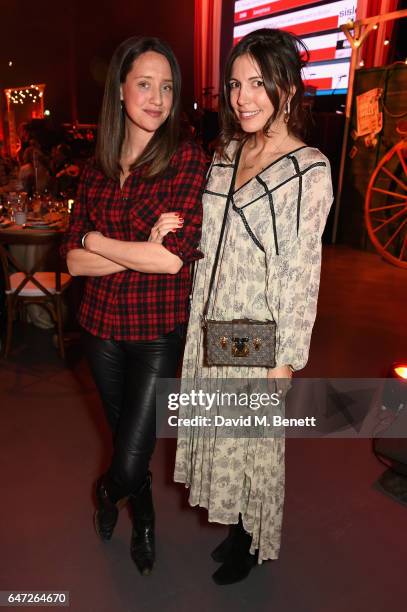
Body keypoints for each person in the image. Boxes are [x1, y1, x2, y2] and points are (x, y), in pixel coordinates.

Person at [155, 28, 333, 584]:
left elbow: (303, 273)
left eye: (259, 83)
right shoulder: (228, 150)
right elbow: (215, 227)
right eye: (235, 84)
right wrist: (171, 225)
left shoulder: (310, 169)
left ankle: (251, 540)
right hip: (209, 320)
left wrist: (286, 359)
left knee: (251, 442)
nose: (243, 97)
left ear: (288, 87)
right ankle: (237, 528)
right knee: (223, 432)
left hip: (257, 330)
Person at [61, 36, 207, 575]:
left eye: (166, 87)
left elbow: (171, 261)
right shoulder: (95, 166)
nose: (156, 98)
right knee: (130, 442)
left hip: (155, 332)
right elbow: (71, 263)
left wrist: (99, 242)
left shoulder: (185, 158)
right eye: (144, 84)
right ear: (119, 90)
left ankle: (108, 493)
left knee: (127, 457)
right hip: (99, 329)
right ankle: (143, 522)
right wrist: (135, 248)